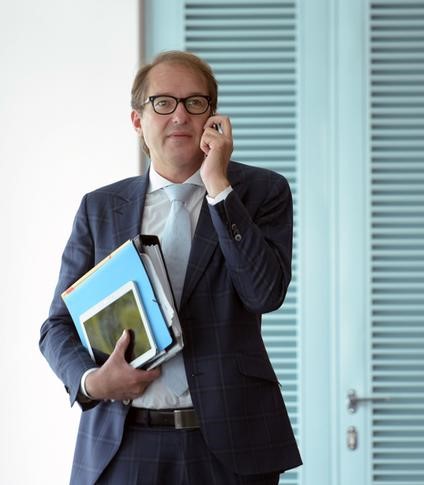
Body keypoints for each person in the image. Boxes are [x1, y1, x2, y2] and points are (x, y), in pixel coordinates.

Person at [39, 51, 302, 484]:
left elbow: (264, 293)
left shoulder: (261, 192)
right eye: (163, 102)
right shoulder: (100, 208)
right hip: (123, 445)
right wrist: (91, 382)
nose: (180, 115)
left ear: (213, 119)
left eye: (195, 103)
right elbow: (56, 326)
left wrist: (218, 187)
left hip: (231, 449)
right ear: (137, 120)